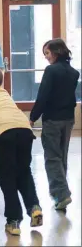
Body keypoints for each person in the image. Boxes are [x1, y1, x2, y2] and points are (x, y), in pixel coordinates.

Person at [0, 67, 43, 236]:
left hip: (6, 135)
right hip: (25, 131)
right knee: (23, 171)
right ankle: (34, 207)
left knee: (7, 177)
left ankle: (13, 221)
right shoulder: (4, 93)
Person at [30, 38, 80, 210]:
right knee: (61, 157)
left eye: (47, 53)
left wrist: (33, 116)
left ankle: (62, 194)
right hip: (68, 119)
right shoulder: (74, 73)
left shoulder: (51, 71)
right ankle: (60, 197)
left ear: (56, 52)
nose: (46, 57)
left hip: (52, 119)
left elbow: (43, 95)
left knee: (52, 158)